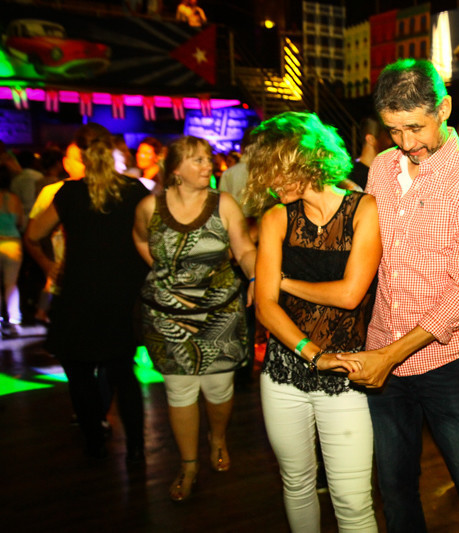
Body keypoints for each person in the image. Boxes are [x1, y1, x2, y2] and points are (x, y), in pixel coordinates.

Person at [339, 58, 459, 533]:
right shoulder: (381, 167)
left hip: (451, 363)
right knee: (395, 492)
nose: (406, 142)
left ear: (444, 109)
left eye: (415, 127)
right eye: (394, 130)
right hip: (383, 352)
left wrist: (387, 356)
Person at [245, 112, 380, 532]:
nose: (271, 183)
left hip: (347, 373)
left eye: (276, 170)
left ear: (305, 159)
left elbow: (350, 294)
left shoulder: (365, 209)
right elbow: (265, 307)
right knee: (297, 484)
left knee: (353, 500)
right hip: (285, 374)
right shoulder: (275, 218)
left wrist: (283, 281)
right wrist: (312, 353)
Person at [132, 136, 256, 502]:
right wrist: (165, 272)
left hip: (219, 314)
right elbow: (139, 239)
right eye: (197, 160)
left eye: (208, 158)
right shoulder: (149, 207)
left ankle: (217, 438)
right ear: (175, 170)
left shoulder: (224, 204)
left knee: (218, 389)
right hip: (168, 317)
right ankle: (188, 464)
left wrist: (253, 276)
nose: (208, 165)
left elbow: (244, 248)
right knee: (179, 391)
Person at [26, 123, 148, 461]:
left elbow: (34, 233)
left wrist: (48, 265)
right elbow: (153, 237)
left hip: (80, 293)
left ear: (82, 155)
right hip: (122, 294)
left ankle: (94, 440)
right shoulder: (134, 190)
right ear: (113, 151)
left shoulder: (69, 193)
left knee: (79, 371)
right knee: (123, 373)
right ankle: (136, 448)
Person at [0, 166, 24, 337]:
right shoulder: (14, 198)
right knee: (11, 284)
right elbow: (21, 222)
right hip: (13, 243)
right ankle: (14, 320)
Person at [349, 114, 393, 190]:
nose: (391, 142)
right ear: (370, 139)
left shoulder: (387, 172)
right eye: (387, 137)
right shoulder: (352, 177)